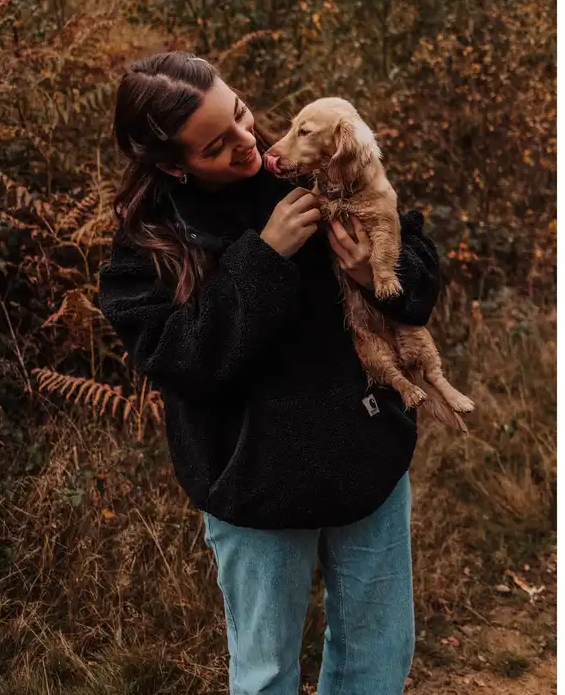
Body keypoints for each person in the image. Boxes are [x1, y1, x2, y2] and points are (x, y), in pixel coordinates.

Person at [98, 51, 441, 695]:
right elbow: (183, 361)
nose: (247, 142)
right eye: (216, 145)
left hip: (365, 455)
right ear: (174, 165)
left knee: (377, 659)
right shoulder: (150, 245)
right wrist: (264, 256)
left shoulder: (307, 163)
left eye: (240, 114)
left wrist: (376, 274)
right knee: (266, 677)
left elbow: (414, 272)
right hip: (255, 480)